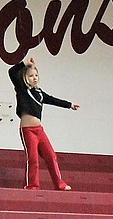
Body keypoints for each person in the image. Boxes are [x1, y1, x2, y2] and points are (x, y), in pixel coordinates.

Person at [9, 56, 79, 191]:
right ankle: (32, 185)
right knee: (33, 159)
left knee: (51, 155)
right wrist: (24, 63)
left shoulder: (39, 93)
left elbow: (53, 100)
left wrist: (69, 105)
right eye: (30, 76)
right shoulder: (22, 89)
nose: (34, 78)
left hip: (39, 130)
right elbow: (11, 72)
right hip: (28, 130)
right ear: (24, 78)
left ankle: (60, 184)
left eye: (36, 75)